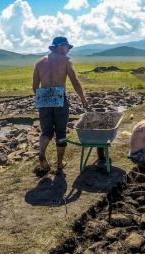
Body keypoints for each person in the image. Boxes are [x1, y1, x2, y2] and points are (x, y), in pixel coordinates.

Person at [32, 36, 89, 174]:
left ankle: (42, 153)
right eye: (67, 47)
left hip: (43, 98)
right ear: (60, 46)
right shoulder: (66, 61)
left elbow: (35, 87)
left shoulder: (39, 62)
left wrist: (44, 98)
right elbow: (75, 81)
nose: (68, 50)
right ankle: (59, 163)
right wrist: (83, 98)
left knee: (46, 131)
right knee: (61, 131)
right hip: (59, 96)